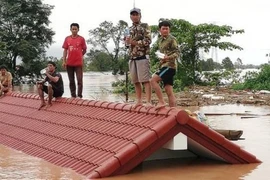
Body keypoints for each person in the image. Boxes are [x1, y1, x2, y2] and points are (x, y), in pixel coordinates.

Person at [125, 8, 152, 108]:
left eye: (136, 14)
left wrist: (134, 42)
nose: (134, 16)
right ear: (130, 16)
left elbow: (148, 41)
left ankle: (148, 101)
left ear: (140, 15)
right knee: (135, 81)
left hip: (143, 56)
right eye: (132, 15)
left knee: (145, 80)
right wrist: (127, 42)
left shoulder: (145, 26)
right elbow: (127, 44)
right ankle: (139, 101)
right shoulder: (128, 29)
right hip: (132, 57)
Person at [150, 20, 180, 109]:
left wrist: (167, 58)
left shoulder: (172, 39)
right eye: (163, 29)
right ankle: (173, 110)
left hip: (170, 66)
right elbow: (164, 54)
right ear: (160, 30)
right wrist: (162, 59)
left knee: (153, 80)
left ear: (169, 30)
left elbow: (177, 53)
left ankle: (161, 102)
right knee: (168, 90)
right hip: (164, 65)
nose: (165, 30)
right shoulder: (160, 41)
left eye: (167, 29)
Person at [62, 23, 87, 98]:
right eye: (73, 29)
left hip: (78, 63)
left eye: (76, 29)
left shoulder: (81, 39)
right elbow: (65, 50)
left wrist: (80, 55)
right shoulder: (67, 39)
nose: (74, 30)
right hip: (69, 63)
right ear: (70, 29)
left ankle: (79, 96)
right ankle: (73, 96)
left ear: (78, 29)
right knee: (71, 80)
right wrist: (64, 61)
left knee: (79, 80)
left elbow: (85, 49)